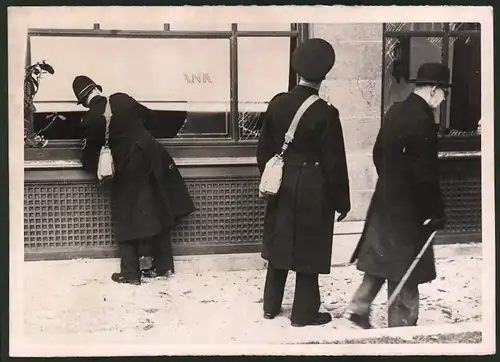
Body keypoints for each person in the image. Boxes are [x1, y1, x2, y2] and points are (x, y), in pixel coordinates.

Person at [347, 63, 450, 329]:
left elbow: (378, 152)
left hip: (385, 200)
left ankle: (358, 308)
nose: (444, 99)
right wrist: (434, 212)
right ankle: (402, 325)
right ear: (435, 90)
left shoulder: (395, 111)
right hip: (410, 208)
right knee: (408, 265)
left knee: (382, 256)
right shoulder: (425, 121)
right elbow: (425, 174)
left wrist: (391, 182)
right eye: (444, 93)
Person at [256, 38, 351, 327]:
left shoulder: (277, 104)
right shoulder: (326, 112)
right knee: (309, 247)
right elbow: (335, 163)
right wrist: (341, 202)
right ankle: (304, 313)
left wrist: (277, 174)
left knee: (280, 243)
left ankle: (270, 306)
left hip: (283, 182)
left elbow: (263, 152)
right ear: (323, 75)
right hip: (314, 188)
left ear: (296, 71)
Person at [73, 75, 195, 285]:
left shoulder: (91, 119)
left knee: (125, 215)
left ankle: (131, 273)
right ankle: (163, 265)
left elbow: (87, 158)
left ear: (84, 101)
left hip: (128, 167)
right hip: (154, 156)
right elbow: (151, 119)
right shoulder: (122, 99)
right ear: (98, 89)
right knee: (158, 208)